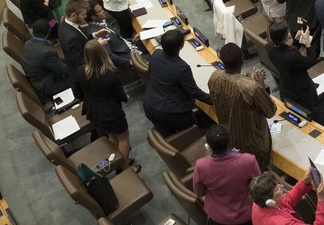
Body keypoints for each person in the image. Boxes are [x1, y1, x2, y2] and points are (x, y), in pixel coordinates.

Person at [74, 37, 139, 172]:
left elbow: (78, 94)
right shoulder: (111, 73)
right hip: (112, 114)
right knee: (123, 139)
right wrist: (125, 97)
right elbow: (120, 96)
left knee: (112, 137)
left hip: (94, 113)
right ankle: (124, 168)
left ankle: (117, 162)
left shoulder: (80, 71)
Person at [208, 42, 277, 171]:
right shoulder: (251, 88)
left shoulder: (214, 77)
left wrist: (250, 82)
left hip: (229, 140)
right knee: (260, 175)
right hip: (253, 145)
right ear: (242, 59)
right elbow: (270, 111)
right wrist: (259, 85)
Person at [144, 29, 212, 137]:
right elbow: (194, 92)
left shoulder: (156, 54)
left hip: (150, 105)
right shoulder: (182, 68)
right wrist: (214, 100)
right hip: (172, 112)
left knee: (171, 139)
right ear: (181, 46)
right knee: (191, 135)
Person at [192, 124, 260, 225]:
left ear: (208, 146)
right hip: (246, 217)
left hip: (217, 219)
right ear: (229, 141)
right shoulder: (249, 160)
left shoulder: (201, 166)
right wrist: (237, 156)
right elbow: (259, 189)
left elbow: (199, 192)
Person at [266, 22, 322, 110]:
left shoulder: (270, 48)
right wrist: (307, 41)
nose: (290, 33)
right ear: (284, 38)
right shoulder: (292, 57)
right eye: (288, 33)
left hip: (285, 86)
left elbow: (286, 50)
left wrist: (295, 39)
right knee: (310, 112)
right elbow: (310, 62)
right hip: (301, 91)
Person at [249, 169, 324, 225]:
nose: (282, 186)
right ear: (270, 201)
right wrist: (322, 199)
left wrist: (304, 182)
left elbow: (285, 202)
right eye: (277, 189)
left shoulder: (259, 200)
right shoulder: (282, 223)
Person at [21, 19, 71, 103]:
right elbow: (64, 70)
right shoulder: (46, 53)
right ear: (49, 31)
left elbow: (54, 61)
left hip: (38, 80)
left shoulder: (28, 43)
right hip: (49, 86)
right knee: (79, 77)